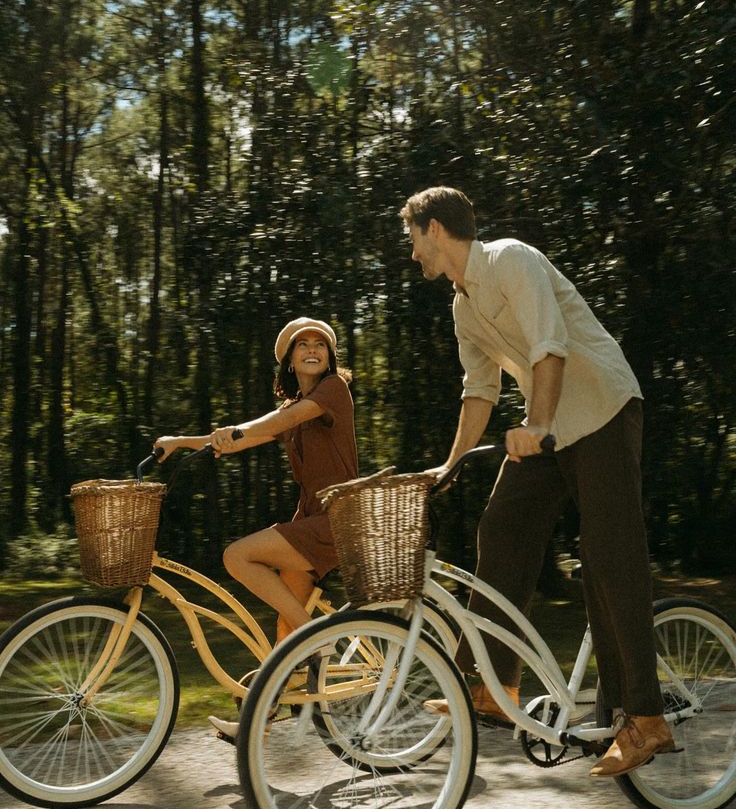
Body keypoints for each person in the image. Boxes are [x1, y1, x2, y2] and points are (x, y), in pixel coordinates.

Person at [400, 186, 675, 778]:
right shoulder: (462, 305)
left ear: (437, 230)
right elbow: (479, 392)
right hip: (548, 430)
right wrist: (448, 466)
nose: (412, 251)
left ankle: (645, 717)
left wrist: (540, 423)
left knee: (608, 555)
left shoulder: (509, 260)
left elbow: (550, 346)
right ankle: (492, 684)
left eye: (413, 237)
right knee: (501, 529)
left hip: (599, 409)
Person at [154, 317, 358, 739]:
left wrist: (237, 432)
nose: (312, 349)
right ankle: (258, 722)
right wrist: (180, 442)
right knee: (285, 632)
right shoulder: (292, 410)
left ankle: (316, 637)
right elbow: (251, 434)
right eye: (302, 345)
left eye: (320, 343)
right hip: (312, 520)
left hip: (335, 520)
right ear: (289, 360)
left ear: (330, 356)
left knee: (238, 555)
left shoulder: (334, 391)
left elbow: (267, 426)